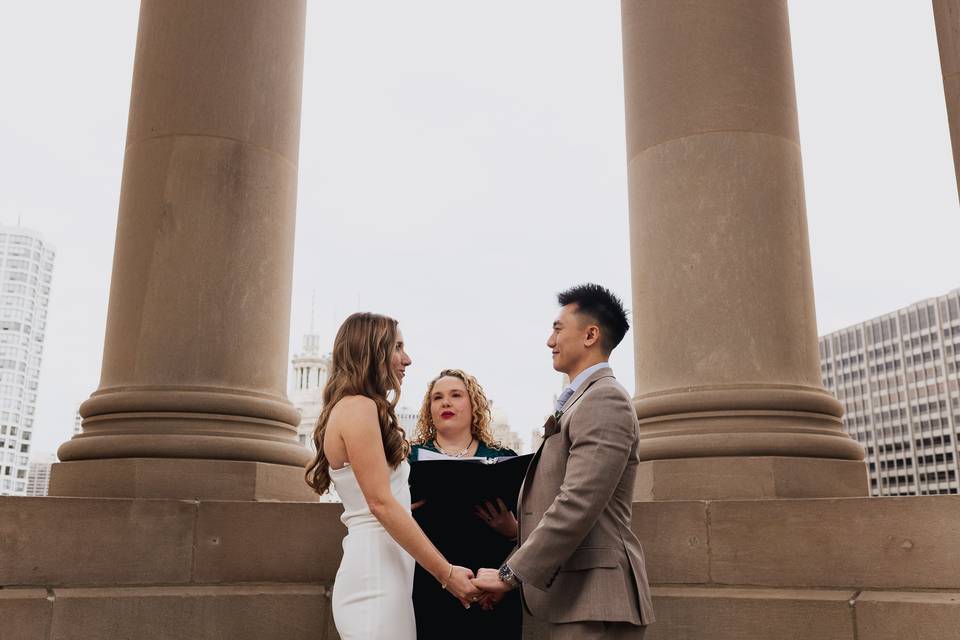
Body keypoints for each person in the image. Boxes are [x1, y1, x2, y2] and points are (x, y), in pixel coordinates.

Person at [472, 284, 656, 639]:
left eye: (557, 328)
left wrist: (510, 575)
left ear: (590, 335)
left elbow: (578, 503)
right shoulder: (580, 401)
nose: (549, 340)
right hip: (573, 594)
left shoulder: (605, 400)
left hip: (596, 596)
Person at [305, 312, 482, 640]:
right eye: (397, 347)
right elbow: (379, 504)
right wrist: (447, 575)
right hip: (375, 577)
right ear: (372, 351)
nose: (408, 359)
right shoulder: (358, 407)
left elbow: (380, 499)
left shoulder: (354, 407)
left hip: (387, 572)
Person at [408, 369, 523, 640]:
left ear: (474, 406)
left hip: (491, 588)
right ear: (430, 409)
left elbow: (535, 528)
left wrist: (511, 529)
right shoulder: (408, 459)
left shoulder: (504, 458)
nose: (445, 402)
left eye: (456, 395)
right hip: (427, 584)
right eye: (438, 397)